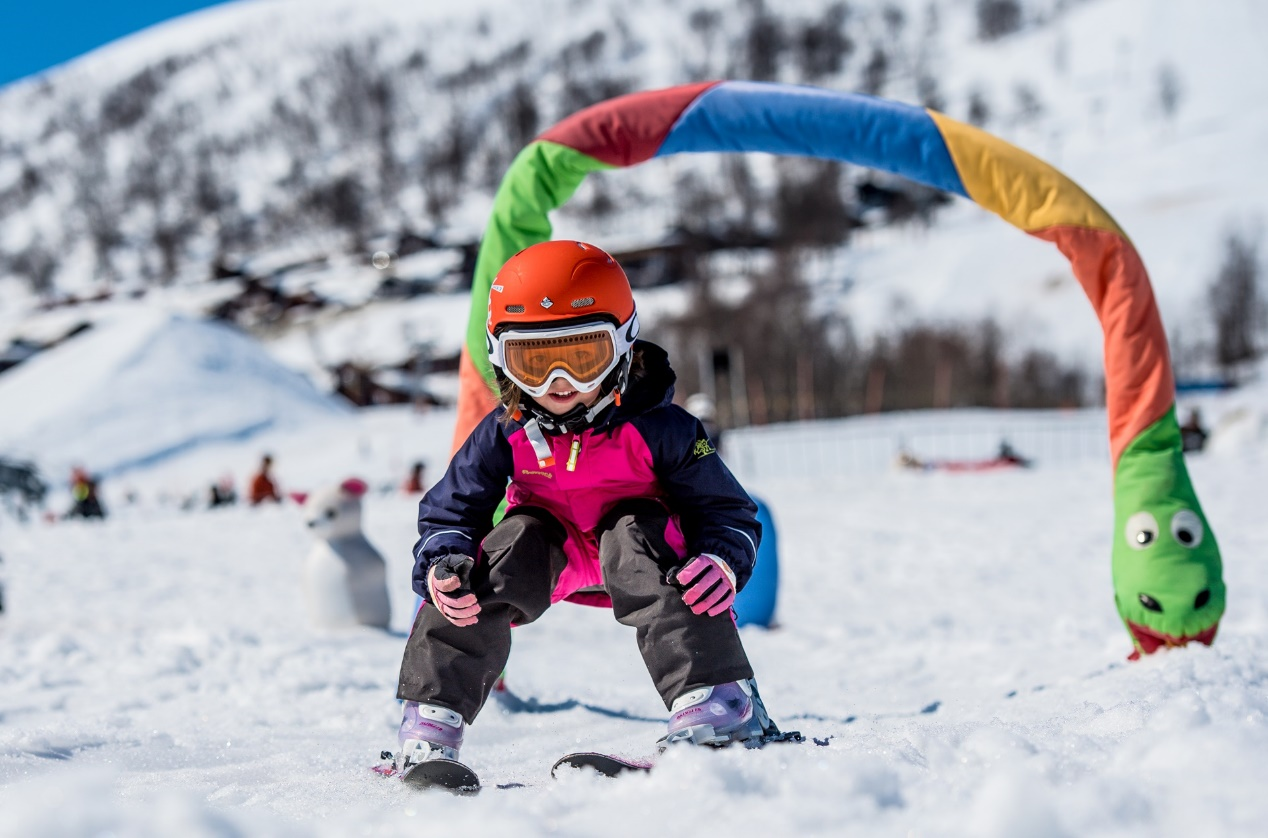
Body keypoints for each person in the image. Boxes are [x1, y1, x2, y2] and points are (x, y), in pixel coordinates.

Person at [394, 241, 782, 771]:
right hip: (550, 549)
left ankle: (719, 702)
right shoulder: (506, 432)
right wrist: (444, 560)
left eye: (582, 358)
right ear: (503, 361)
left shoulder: (662, 429)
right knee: (493, 555)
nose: (559, 384)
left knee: (633, 531)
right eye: (533, 362)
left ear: (622, 348)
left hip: (646, 554)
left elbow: (726, 510)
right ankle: (433, 717)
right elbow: (450, 509)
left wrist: (721, 558)